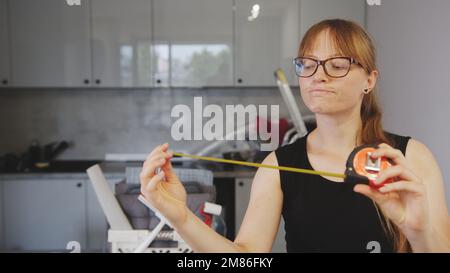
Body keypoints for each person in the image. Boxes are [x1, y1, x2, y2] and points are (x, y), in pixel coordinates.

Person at [140, 19, 450, 252]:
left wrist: (419, 232)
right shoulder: (277, 165)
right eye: (308, 64)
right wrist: (180, 216)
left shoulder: (410, 158)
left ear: (369, 80)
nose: (319, 75)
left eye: (338, 65)